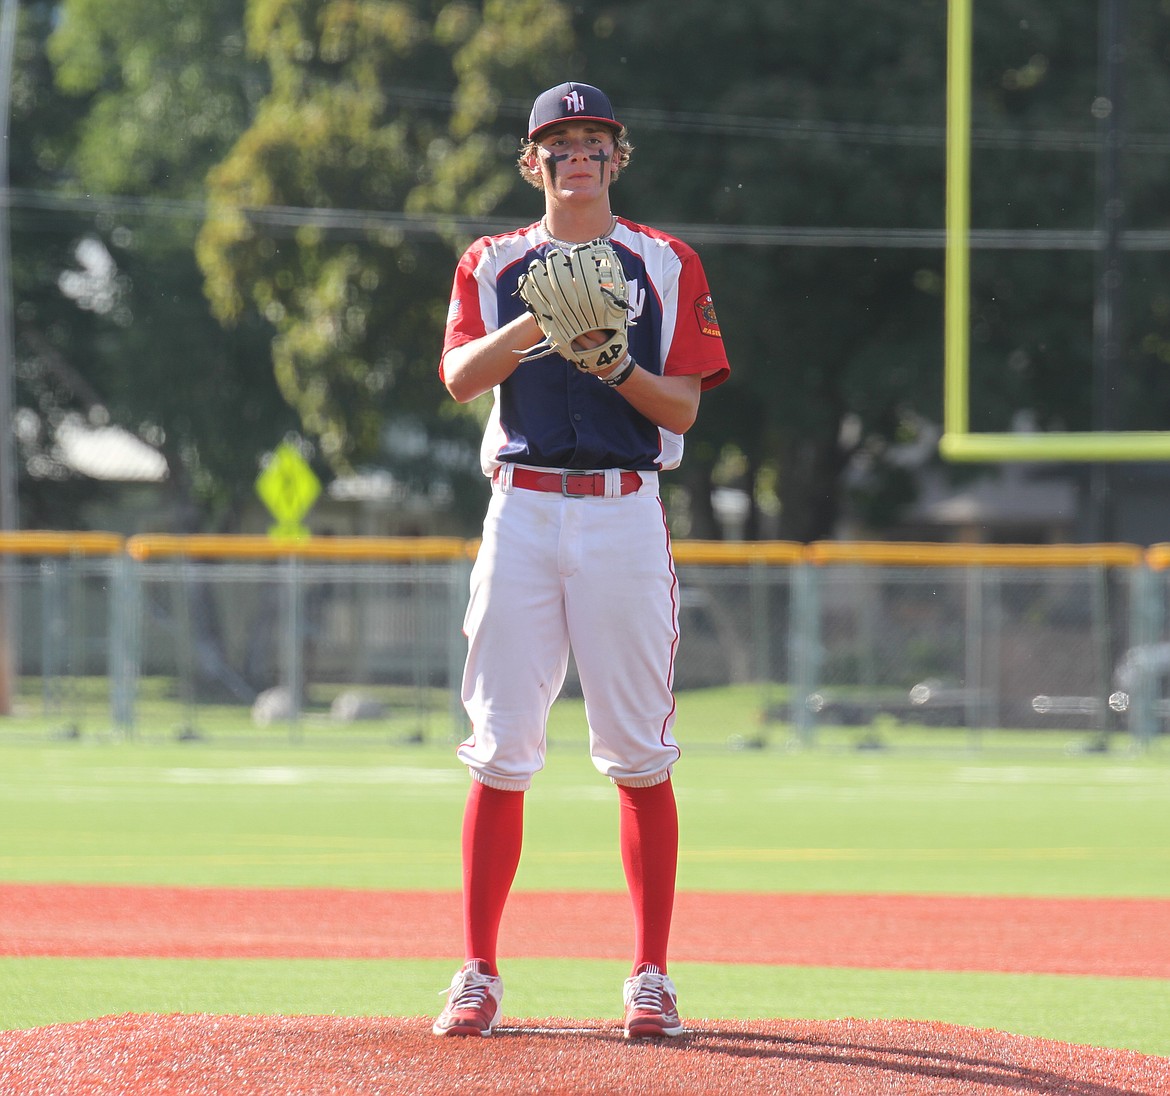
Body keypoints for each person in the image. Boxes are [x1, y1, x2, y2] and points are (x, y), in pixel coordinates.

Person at [434, 80, 730, 1039]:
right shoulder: (493, 261)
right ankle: (476, 971)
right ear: (531, 162)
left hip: (621, 514)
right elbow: (457, 376)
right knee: (500, 748)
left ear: (618, 156)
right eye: (557, 143)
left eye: (592, 141)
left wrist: (613, 366)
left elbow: (681, 408)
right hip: (520, 513)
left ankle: (650, 974)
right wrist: (535, 325)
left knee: (641, 752)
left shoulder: (664, 261)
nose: (575, 156)